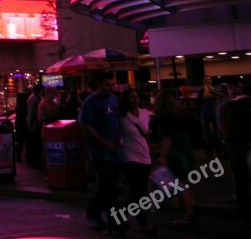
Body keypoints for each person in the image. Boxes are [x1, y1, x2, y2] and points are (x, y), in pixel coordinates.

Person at [79, 72, 123, 235]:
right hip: (99, 152)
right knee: (109, 187)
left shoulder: (114, 100)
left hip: (114, 150)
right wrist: (103, 141)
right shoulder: (90, 102)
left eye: (111, 85)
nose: (109, 88)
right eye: (106, 85)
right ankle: (115, 222)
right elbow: (86, 126)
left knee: (107, 187)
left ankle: (93, 209)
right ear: (99, 84)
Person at [154, 89, 196, 225]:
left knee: (179, 183)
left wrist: (163, 156)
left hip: (174, 151)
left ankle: (188, 211)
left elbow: (167, 139)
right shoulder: (180, 113)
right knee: (183, 182)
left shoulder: (164, 117)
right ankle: (187, 209)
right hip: (186, 148)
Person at [118, 88, 155, 234]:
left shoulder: (145, 114)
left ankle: (120, 215)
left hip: (144, 155)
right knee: (137, 190)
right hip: (130, 155)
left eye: (136, 96)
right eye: (132, 97)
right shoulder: (122, 117)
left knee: (138, 191)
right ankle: (143, 222)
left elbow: (147, 133)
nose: (135, 99)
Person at [224, 80, 251, 223]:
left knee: (240, 179)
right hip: (246, 143)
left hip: (234, 143)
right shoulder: (248, 104)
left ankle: (243, 209)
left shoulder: (231, 105)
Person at [197, 75, 218, 156]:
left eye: (208, 79)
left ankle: (214, 150)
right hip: (207, 112)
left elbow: (199, 102)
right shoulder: (203, 91)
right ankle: (211, 151)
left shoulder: (212, 90)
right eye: (206, 80)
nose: (207, 81)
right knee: (207, 133)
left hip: (209, 112)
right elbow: (199, 102)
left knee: (212, 133)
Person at [25, 84, 44, 169]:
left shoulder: (31, 98)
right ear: (39, 91)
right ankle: (37, 163)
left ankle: (33, 161)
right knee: (37, 145)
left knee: (33, 145)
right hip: (35, 125)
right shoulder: (37, 99)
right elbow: (36, 115)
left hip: (31, 125)